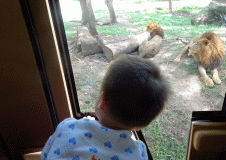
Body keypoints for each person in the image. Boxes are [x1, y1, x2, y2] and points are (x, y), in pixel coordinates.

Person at [41, 55, 170, 160]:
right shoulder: (138, 153)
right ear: (142, 125)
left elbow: (45, 155)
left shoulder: (68, 127)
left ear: (102, 101)